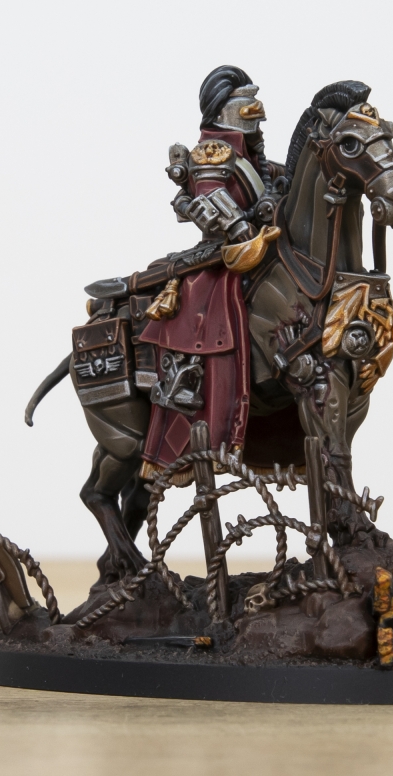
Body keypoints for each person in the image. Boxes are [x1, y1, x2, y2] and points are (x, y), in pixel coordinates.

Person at [138, 65, 281, 480]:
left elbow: (274, 184)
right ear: (224, 110)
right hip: (221, 259)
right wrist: (239, 227)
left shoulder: (250, 155)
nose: (255, 109)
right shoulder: (213, 152)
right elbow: (208, 196)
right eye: (246, 102)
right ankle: (201, 420)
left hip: (258, 248)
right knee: (212, 324)